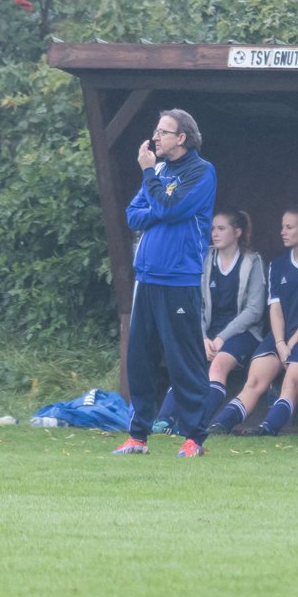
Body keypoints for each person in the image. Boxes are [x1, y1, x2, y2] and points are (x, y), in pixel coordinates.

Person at [113, 109, 216, 457]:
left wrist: (151, 186)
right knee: (139, 359)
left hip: (179, 279)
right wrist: (158, 200)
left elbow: (173, 208)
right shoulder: (156, 172)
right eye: (156, 131)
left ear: (181, 138)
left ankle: (194, 439)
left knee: (183, 360)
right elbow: (133, 214)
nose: (155, 137)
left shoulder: (202, 172)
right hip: (147, 277)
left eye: (163, 132)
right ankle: (137, 436)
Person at [207, 206, 298, 436]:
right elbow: (274, 308)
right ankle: (221, 424)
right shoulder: (277, 265)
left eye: (289, 227)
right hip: (280, 337)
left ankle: (268, 427)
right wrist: (279, 342)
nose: (283, 232)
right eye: (282, 227)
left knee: (291, 382)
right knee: (254, 382)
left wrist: (291, 343)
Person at [153, 210, 266, 435]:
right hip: (207, 333)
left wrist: (222, 338)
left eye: (221, 228)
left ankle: (195, 423)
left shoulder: (252, 261)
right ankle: (164, 420)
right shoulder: (204, 259)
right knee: (187, 364)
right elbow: (195, 304)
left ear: (237, 232)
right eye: (212, 228)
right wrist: (203, 337)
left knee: (217, 366)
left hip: (241, 333)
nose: (214, 233)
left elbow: (254, 310)